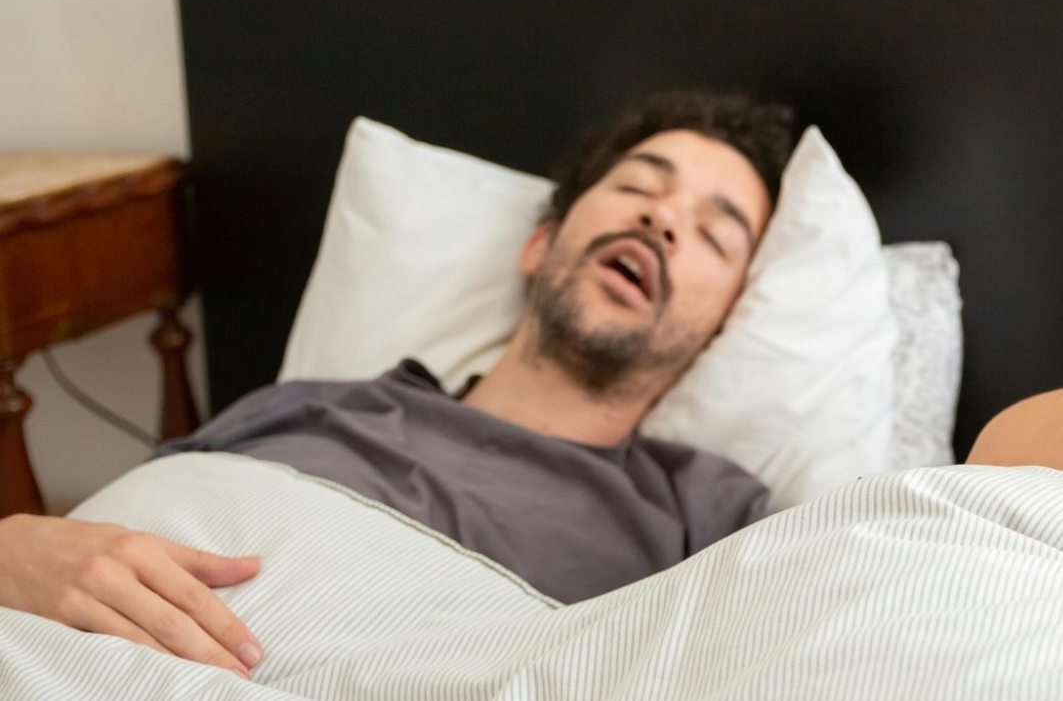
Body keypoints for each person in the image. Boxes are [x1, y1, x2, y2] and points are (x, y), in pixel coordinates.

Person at [0, 90, 793, 678]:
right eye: (636, 189)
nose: (661, 221)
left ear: (722, 324)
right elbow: (107, 545)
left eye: (714, 233)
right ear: (541, 244)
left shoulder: (708, 514)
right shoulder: (308, 406)